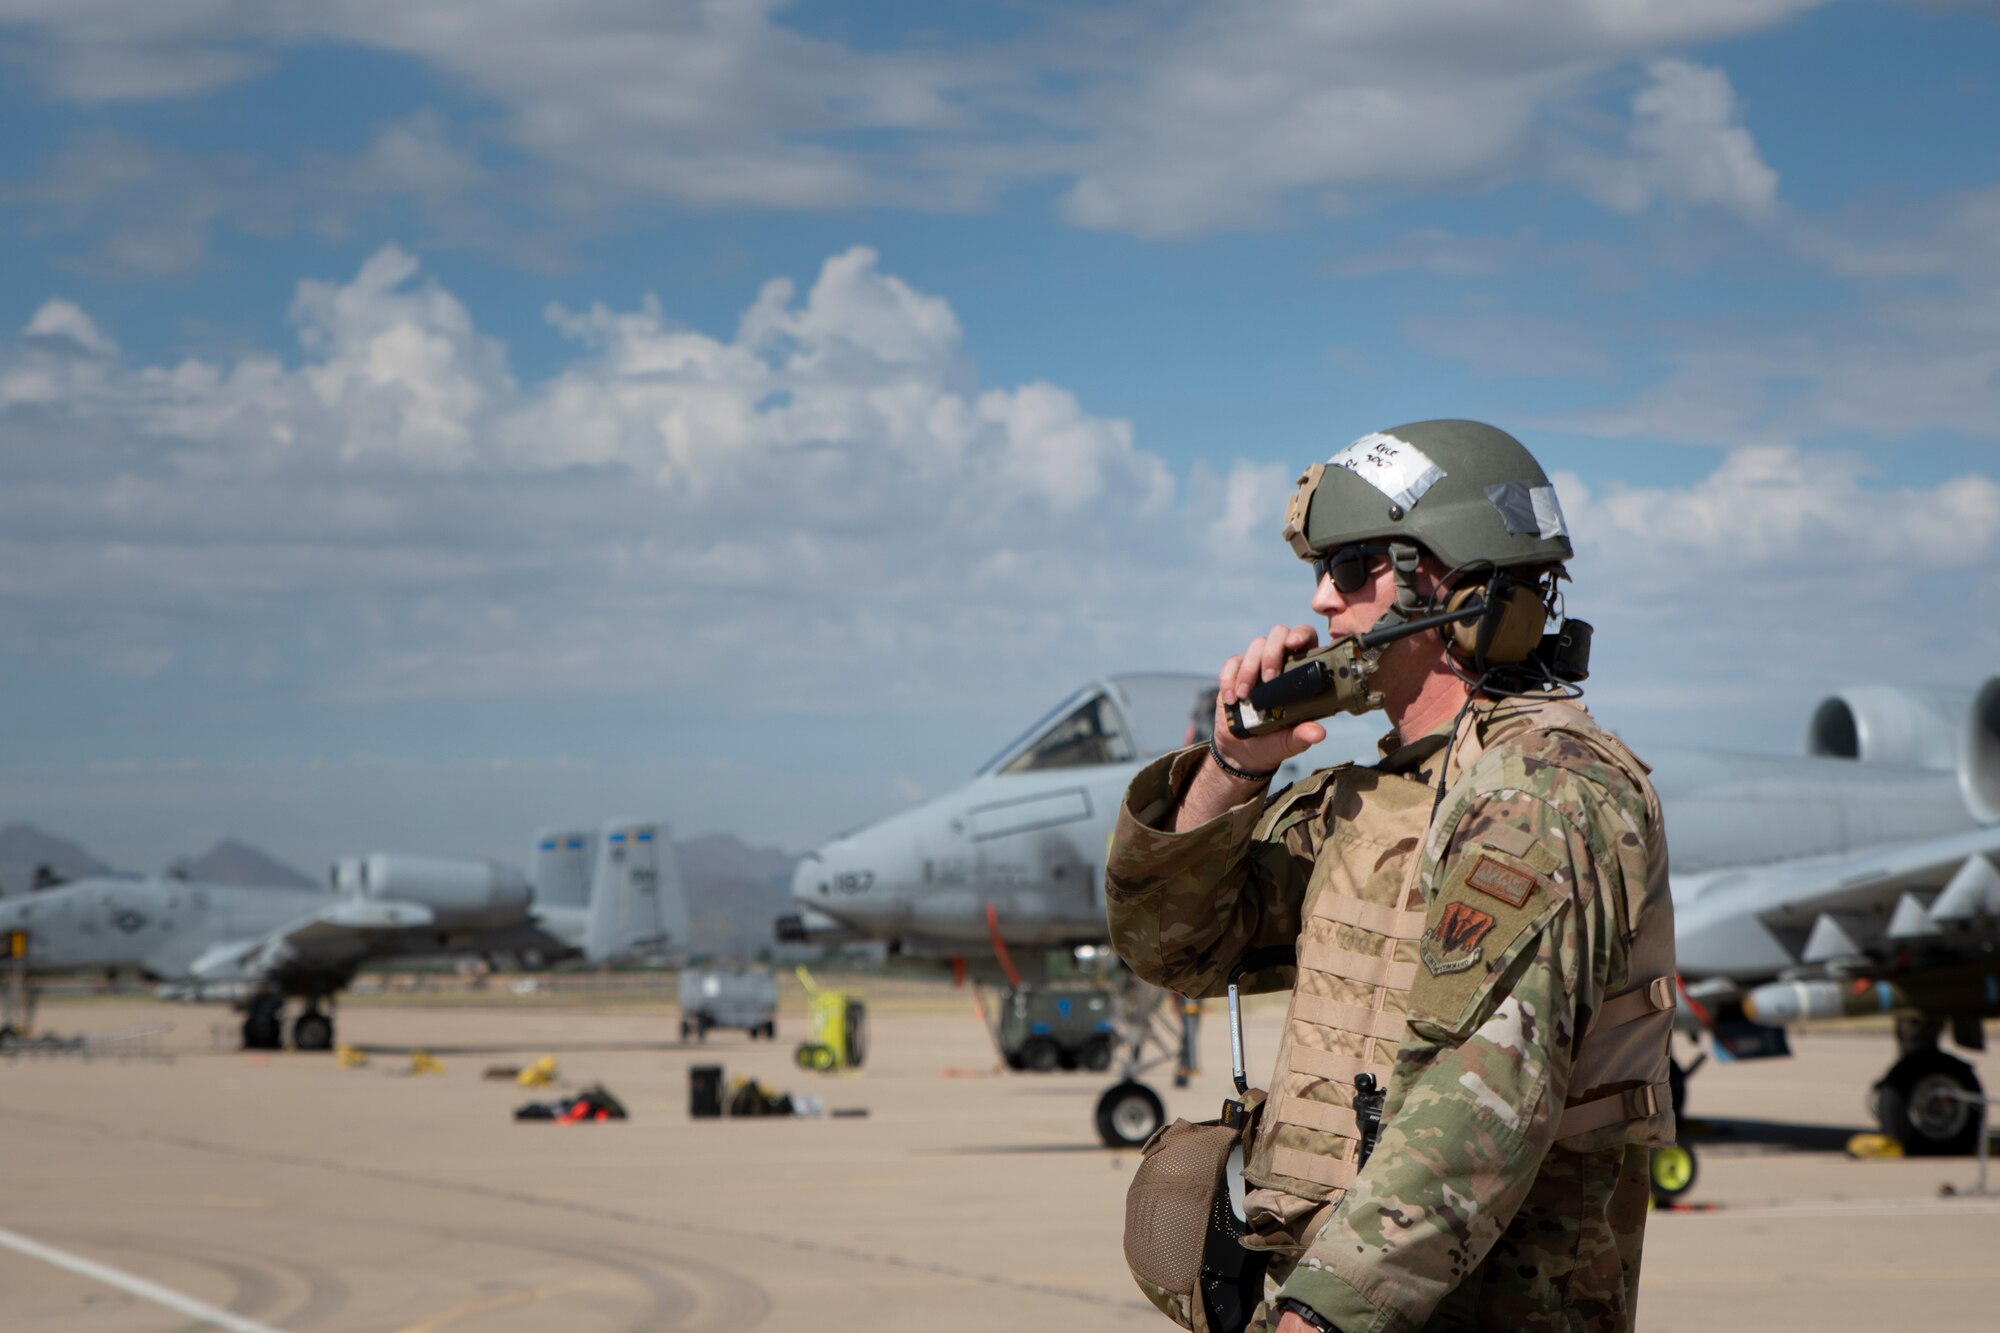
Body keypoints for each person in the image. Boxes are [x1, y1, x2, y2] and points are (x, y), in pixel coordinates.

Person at [1107, 420, 1676, 1333]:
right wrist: (1232, 764)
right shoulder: (1367, 799)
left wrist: (1317, 1318)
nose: (1324, 602)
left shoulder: (1547, 787)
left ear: (1447, 582)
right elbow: (1171, 947)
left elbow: (1482, 1093)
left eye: (1354, 566)